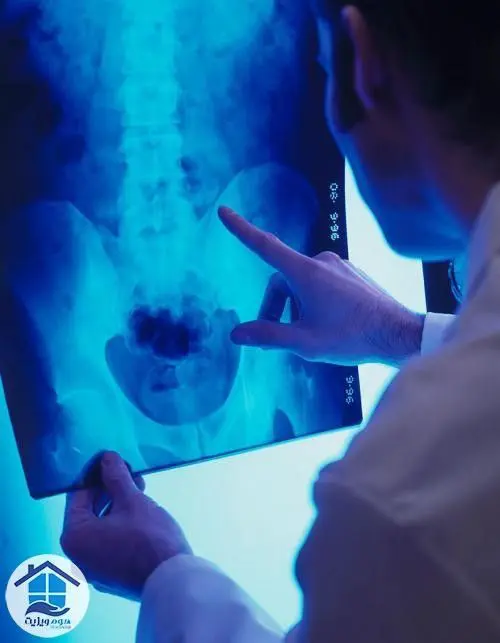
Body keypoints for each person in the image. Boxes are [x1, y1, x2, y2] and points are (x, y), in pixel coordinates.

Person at [61, 0, 500, 640]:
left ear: (364, 63)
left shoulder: (401, 504)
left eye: (323, 68)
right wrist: (403, 333)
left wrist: (164, 573)